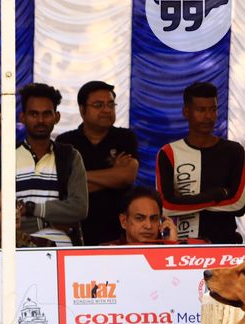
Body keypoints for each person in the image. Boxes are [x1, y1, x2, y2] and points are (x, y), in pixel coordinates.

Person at [156, 81, 245, 244]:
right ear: (186, 112)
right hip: (182, 244)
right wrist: (217, 194)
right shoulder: (169, 152)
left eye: (213, 109)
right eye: (201, 110)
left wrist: (182, 201)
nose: (209, 116)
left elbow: (239, 204)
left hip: (225, 243)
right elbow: (166, 207)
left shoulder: (234, 151)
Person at [56, 81, 139, 246]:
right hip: (78, 231)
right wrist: (112, 176)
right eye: (99, 105)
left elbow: (126, 176)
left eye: (111, 104)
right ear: (82, 110)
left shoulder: (125, 137)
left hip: (118, 231)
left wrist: (78, 176)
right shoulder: (66, 142)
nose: (107, 110)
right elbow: (65, 187)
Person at [16, 83, 88, 245]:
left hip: (62, 248)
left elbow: (79, 208)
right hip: (17, 248)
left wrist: (31, 208)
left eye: (46, 114)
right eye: (34, 114)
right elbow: (0, 212)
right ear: (22, 117)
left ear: (57, 117)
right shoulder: (6, 159)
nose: (40, 120)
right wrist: (47, 221)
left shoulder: (70, 156)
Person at [101, 187, 180, 246]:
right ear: (124, 221)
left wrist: (173, 248)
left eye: (154, 219)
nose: (148, 226)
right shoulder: (104, 253)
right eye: (140, 218)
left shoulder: (169, 246)